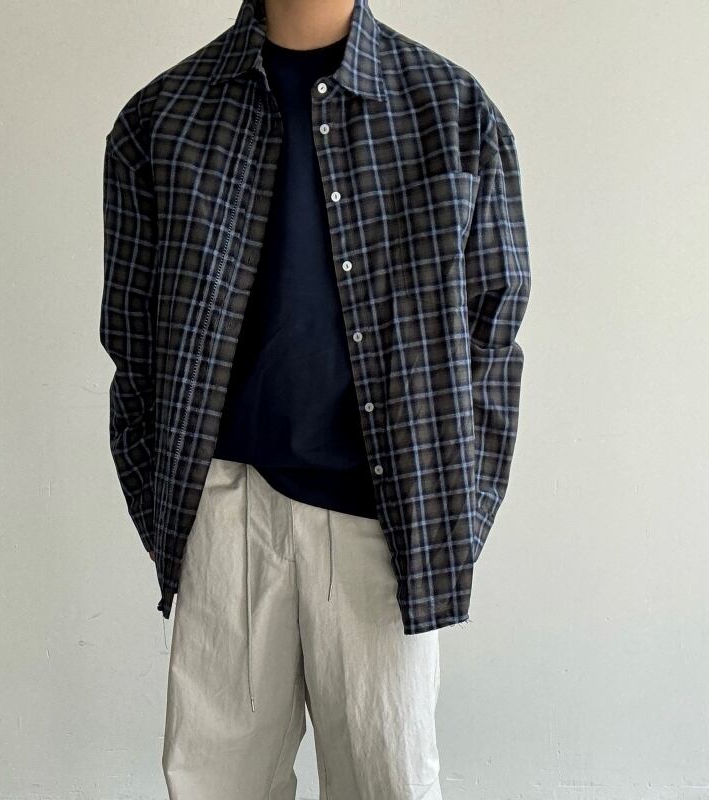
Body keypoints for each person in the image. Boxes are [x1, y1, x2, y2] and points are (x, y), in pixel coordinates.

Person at [100, 0, 531, 796]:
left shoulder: (452, 111)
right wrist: (175, 516)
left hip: (386, 517)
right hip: (224, 508)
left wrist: (453, 513)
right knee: (216, 782)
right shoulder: (163, 117)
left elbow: (493, 343)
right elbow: (134, 345)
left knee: (388, 782)